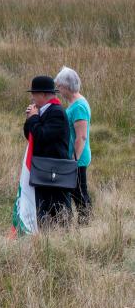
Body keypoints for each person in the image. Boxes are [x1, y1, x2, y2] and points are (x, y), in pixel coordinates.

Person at [24, 75, 72, 227]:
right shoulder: (43, 111)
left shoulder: (56, 112)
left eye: (34, 94)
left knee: (58, 208)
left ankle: (62, 236)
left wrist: (33, 119)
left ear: (43, 95)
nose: (32, 97)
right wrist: (29, 119)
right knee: (43, 206)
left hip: (54, 170)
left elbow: (43, 135)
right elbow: (30, 135)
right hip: (44, 168)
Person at [54, 67, 92, 223]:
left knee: (80, 192)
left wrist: (73, 160)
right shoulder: (75, 103)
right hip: (73, 157)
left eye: (60, 87)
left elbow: (81, 137)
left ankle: (86, 223)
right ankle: (83, 222)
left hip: (77, 157)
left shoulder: (79, 106)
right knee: (76, 191)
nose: (59, 90)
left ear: (67, 86)